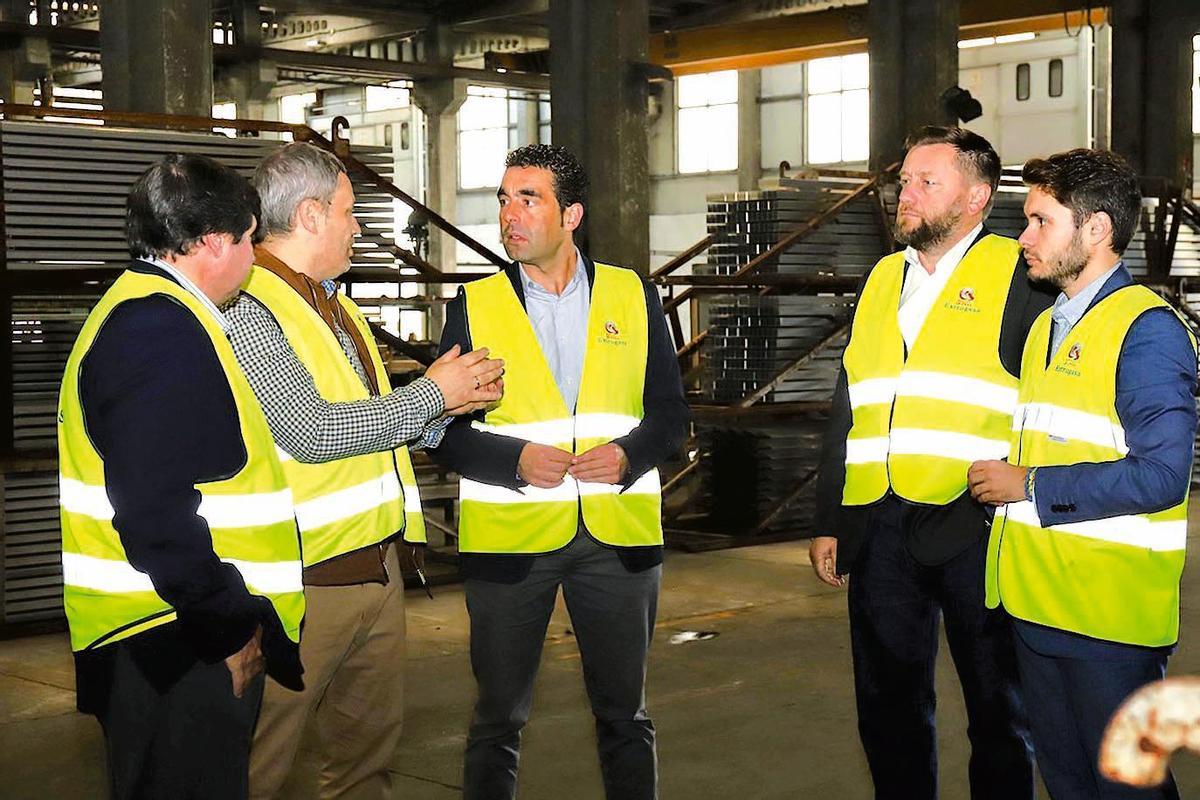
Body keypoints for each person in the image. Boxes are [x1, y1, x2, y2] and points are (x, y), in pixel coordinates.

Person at [226, 142, 503, 800]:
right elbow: (313, 430)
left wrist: (448, 407)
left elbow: (372, 421)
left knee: (364, 763)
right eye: (351, 213)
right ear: (313, 215)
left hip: (374, 571)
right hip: (302, 585)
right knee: (254, 767)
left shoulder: (335, 305)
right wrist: (434, 394)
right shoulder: (249, 307)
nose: (359, 228)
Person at [429, 143, 689, 800]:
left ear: (571, 214)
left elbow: (670, 415)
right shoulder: (476, 305)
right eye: (503, 199)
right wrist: (513, 460)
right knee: (496, 721)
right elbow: (440, 431)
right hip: (510, 546)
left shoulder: (633, 295)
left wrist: (629, 456)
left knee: (625, 717)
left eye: (528, 198)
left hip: (618, 539)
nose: (509, 215)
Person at [809, 126, 1051, 799]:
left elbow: (1049, 399)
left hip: (977, 521)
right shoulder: (885, 276)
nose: (904, 195)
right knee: (887, 707)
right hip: (882, 525)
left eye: (925, 183)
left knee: (998, 708)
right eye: (903, 181)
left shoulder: (1020, 272)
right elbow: (850, 401)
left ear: (975, 198)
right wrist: (831, 516)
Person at [57, 154, 304, 799]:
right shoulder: (156, 328)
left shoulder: (159, 312)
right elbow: (154, 510)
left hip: (168, 632)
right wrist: (228, 623)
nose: (254, 254)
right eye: (249, 237)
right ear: (214, 242)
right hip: (174, 642)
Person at [969, 148, 1197, 800]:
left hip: (1107, 622)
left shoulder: (1147, 331)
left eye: (1041, 221)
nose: (1024, 238)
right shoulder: (1046, 326)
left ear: (1096, 230)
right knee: (1068, 782)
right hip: (1039, 607)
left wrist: (1030, 484)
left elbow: (1161, 476)